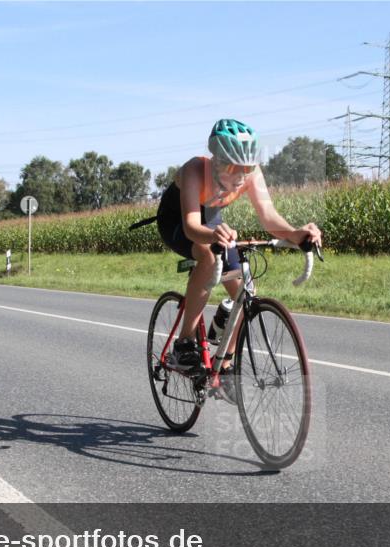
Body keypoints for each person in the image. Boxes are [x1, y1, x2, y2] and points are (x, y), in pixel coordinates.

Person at [134, 119, 322, 376]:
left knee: (245, 292)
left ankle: (225, 360)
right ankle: (183, 345)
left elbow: (268, 217)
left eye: (247, 167)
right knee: (208, 257)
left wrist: (295, 233)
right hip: (177, 221)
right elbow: (191, 227)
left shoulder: (250, 173)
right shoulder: (194, 170)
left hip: (211, 219)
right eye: (235, 166)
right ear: (218, 161)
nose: (242, 175)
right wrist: (213, 235)